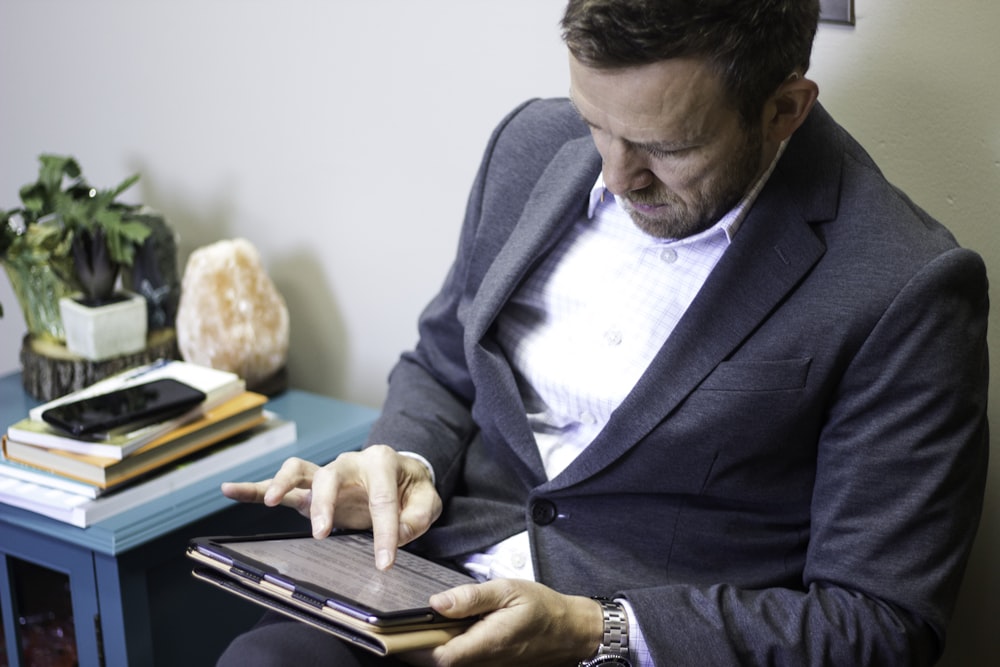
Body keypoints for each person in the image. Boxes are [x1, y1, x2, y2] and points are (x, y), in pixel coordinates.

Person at [217, 1, 990, 665]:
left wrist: (600, 630)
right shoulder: (529, 145)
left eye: (667, 147)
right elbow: (444, 362)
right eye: (596, 124)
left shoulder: (905, 288)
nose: (616, 177)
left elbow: (880, 624)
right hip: (422, 585)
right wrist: (408, 459)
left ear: (784, 109)